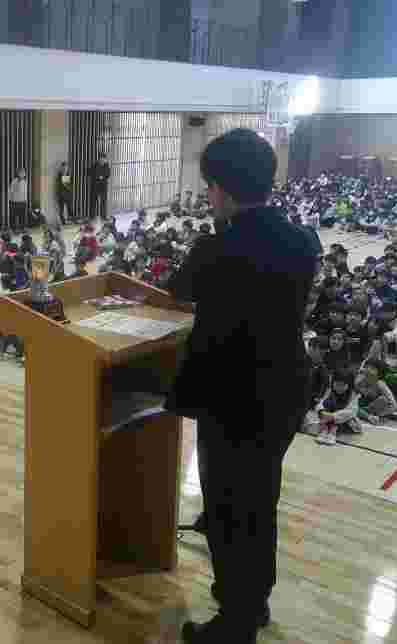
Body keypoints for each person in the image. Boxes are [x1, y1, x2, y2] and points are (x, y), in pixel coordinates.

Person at [164, 129, 320, 643]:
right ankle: (254, 600)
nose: (208, 195)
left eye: (210, 186)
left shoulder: (217, 248)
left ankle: (234, 623)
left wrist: (218, 231)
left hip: (233, 398)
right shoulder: (303, 241)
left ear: (224, 189)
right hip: (284, 392)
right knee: (259, 500)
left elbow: (179, 290)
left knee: (228, 510)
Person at [89, 152, 111, 221]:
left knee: (103, 201)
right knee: (93, 202)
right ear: (99, 159)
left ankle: (103, 216)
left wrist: (101, 176)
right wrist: (100, 176)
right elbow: (92, 173)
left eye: (104, 159)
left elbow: (108, 174)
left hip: (103, 186)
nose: (103, 160)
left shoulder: (106, 165)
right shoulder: (95, 165)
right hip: (95, 186)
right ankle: (92, 216)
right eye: (101, 159)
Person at [8, 167, 28, 233]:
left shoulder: (25, 181)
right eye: (21, 172)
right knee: (13, 216)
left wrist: (25, 200)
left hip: (23, 201)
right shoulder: (14, 181)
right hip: (14, 201)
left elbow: (25, 192)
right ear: (18, 173)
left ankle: (22, 228)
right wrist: (11, 200)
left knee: (22, 216)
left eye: (24, 172)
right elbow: (10, 191)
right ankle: (14, 229)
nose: (23, 174)